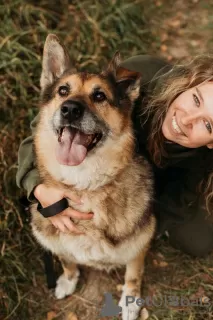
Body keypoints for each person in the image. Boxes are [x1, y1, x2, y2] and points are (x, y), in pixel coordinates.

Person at [16, 54, 213, 257]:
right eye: (196, 99)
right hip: (118, 159)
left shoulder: (203, 158)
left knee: (198, 241)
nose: (187, 119)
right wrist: (37, 188)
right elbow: (41, 133)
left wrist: (142, 223)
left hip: (160, 177)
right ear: (189, 84)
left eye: (208, 124)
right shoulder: (138, 78)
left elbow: (183, 195)